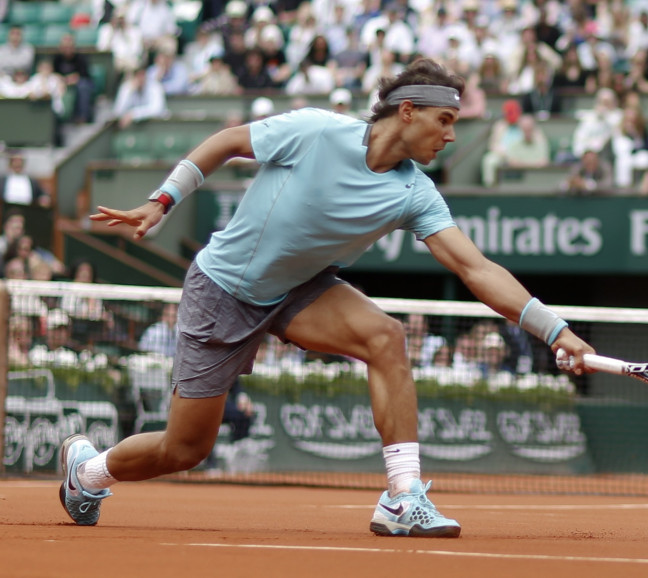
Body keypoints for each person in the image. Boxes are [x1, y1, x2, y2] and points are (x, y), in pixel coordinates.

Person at [70, 58, 594, 537]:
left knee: (385, 336)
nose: (452, 135)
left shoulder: (416, 192)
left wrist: (557, 331)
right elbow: (229, 141)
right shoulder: (317, 130)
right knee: (184, 448)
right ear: (407, 112)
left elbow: (475, 267)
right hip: (223, 289)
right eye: (445, 121)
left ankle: (403, 497)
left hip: (301, 288)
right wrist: (163, 199)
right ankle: (88, 471)